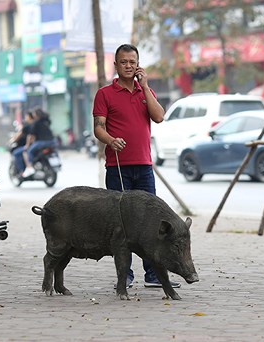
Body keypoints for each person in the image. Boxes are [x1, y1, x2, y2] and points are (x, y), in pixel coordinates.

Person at [92, 43, 180, 289]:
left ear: (138, 64)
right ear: (116, 65)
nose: (128, 66)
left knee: (150, 222)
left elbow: (159, 117)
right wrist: (111, 140)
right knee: (121, 224)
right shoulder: (104, 94)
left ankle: (153, 275)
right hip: (118, 166)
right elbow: (99, 127)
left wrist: (147, 87)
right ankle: (125, 274)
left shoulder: (144, 92)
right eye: (124, 62)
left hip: (144, 167)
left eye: (132, 62)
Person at [22, 108, 56, 178]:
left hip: (42, 142)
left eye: (34, 113)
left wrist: (27, 145)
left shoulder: (36, 123)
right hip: (52, 141)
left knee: (29, 151)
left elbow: (31, 135)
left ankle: (30, 167)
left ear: (36, 114)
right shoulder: (47, 121)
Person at [10, 111, 34, 175]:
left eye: (26, 116)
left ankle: (22, 171)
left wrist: (27, 145)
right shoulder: (34, 124)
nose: (25, 118)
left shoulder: (28, 126)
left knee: (16, 153)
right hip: (34, 145)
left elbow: (27, 136)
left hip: (29, 146)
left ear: (29, 117)